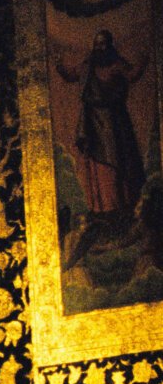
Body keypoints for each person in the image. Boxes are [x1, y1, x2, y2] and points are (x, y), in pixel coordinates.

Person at [56, 29, 150, 250]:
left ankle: (121, 208)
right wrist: (59, 64)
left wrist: (144, 60)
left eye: (103, 45)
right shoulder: (89, 65)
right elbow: (71, 75)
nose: (99, 49)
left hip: (114, 122)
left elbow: (132, 74)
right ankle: (101, 210)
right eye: (96, 45)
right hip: (93, 121)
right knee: (97, 166)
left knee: (116, 163)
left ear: (109, 46)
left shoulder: (116, 64)